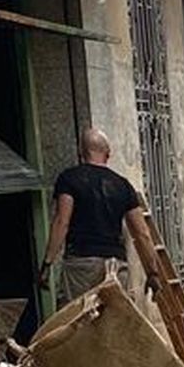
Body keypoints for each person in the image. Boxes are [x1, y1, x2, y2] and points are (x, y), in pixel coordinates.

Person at [40, 129, 155, 307]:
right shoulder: (123, 185)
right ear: (108, 154)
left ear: (81, 151)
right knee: (116, 323)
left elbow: (62, 222)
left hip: (81, 265)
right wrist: (152, 273)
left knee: (76, 323)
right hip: (116, 266)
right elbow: (142, 233)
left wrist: (47, 263)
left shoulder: (69, 179)